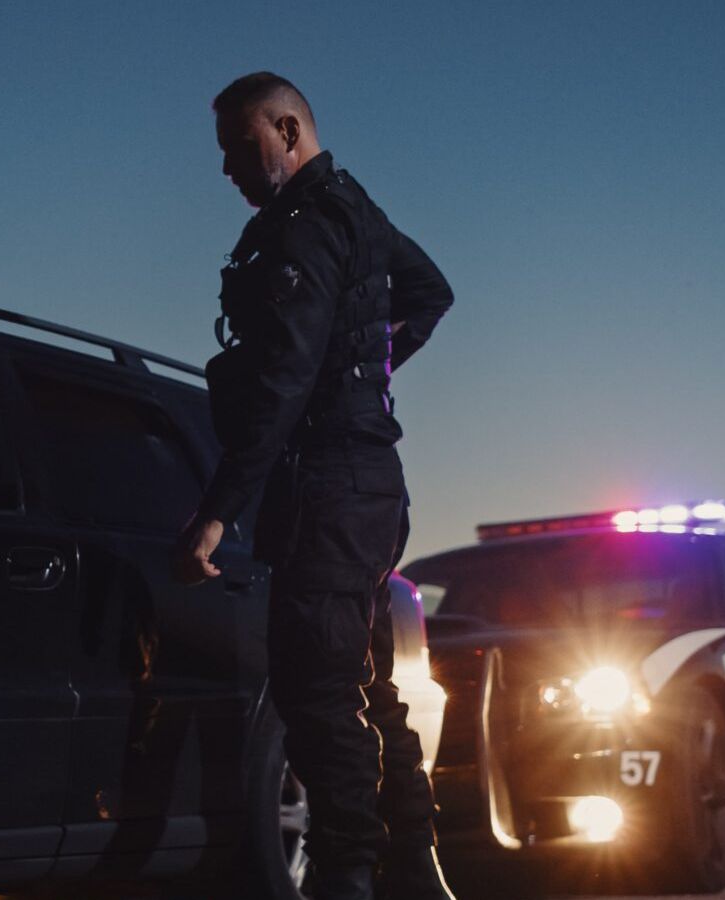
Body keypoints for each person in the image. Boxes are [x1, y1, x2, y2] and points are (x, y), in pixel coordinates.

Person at [173, 72, 456, 900]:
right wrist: (366, 367)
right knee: (365, 689)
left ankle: (347, 878)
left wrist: (216, 514)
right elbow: (432, 292)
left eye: (241, 145)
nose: (228, 167)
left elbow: (282, 386)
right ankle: (415, 869)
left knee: (316, 695)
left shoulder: (302, 229)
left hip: (331, 486)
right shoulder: (356, 211)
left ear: (289, 130)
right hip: (372, 485)